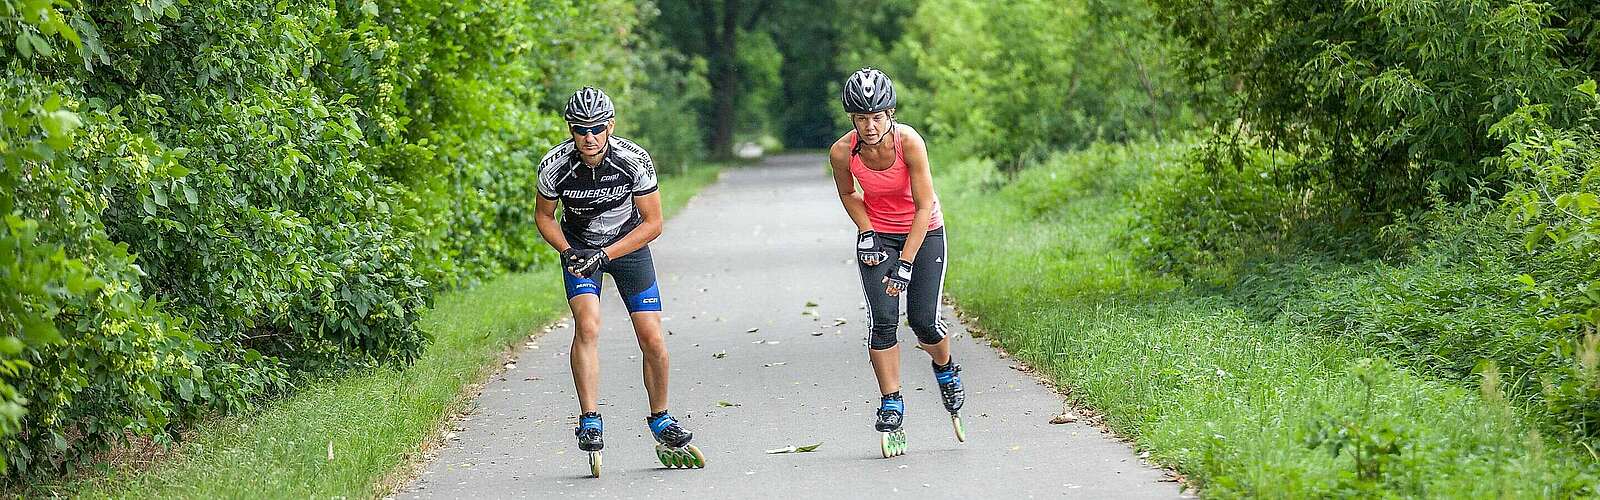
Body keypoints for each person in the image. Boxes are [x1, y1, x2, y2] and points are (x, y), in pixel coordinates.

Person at [535, 86, 703, 476]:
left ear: (610, 126)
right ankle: (589, 418)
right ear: (570, 129)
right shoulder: (554, 165)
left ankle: (660, 416)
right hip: (579, 246)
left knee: (652, 337)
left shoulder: (634, 160)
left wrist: (608, 253)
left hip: (628, 246)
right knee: (588, 324)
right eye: (580, 129)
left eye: (596, 128)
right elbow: (544, 216)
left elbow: (654, 223)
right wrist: (566, 250)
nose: (589, 137)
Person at [828, 68, 966, 457]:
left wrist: (905, 265)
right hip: (879, 235)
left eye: (876, 117)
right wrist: (866, 229)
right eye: (860, 118)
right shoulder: (843, 151)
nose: (869, 126)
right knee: (884, 319)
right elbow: (847, 192)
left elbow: (924, 207)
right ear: (851, 118)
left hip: (924, 232)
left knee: (922, 321)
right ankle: (891, 401)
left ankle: (945, 369)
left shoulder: (909, 143)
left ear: (890, 113)